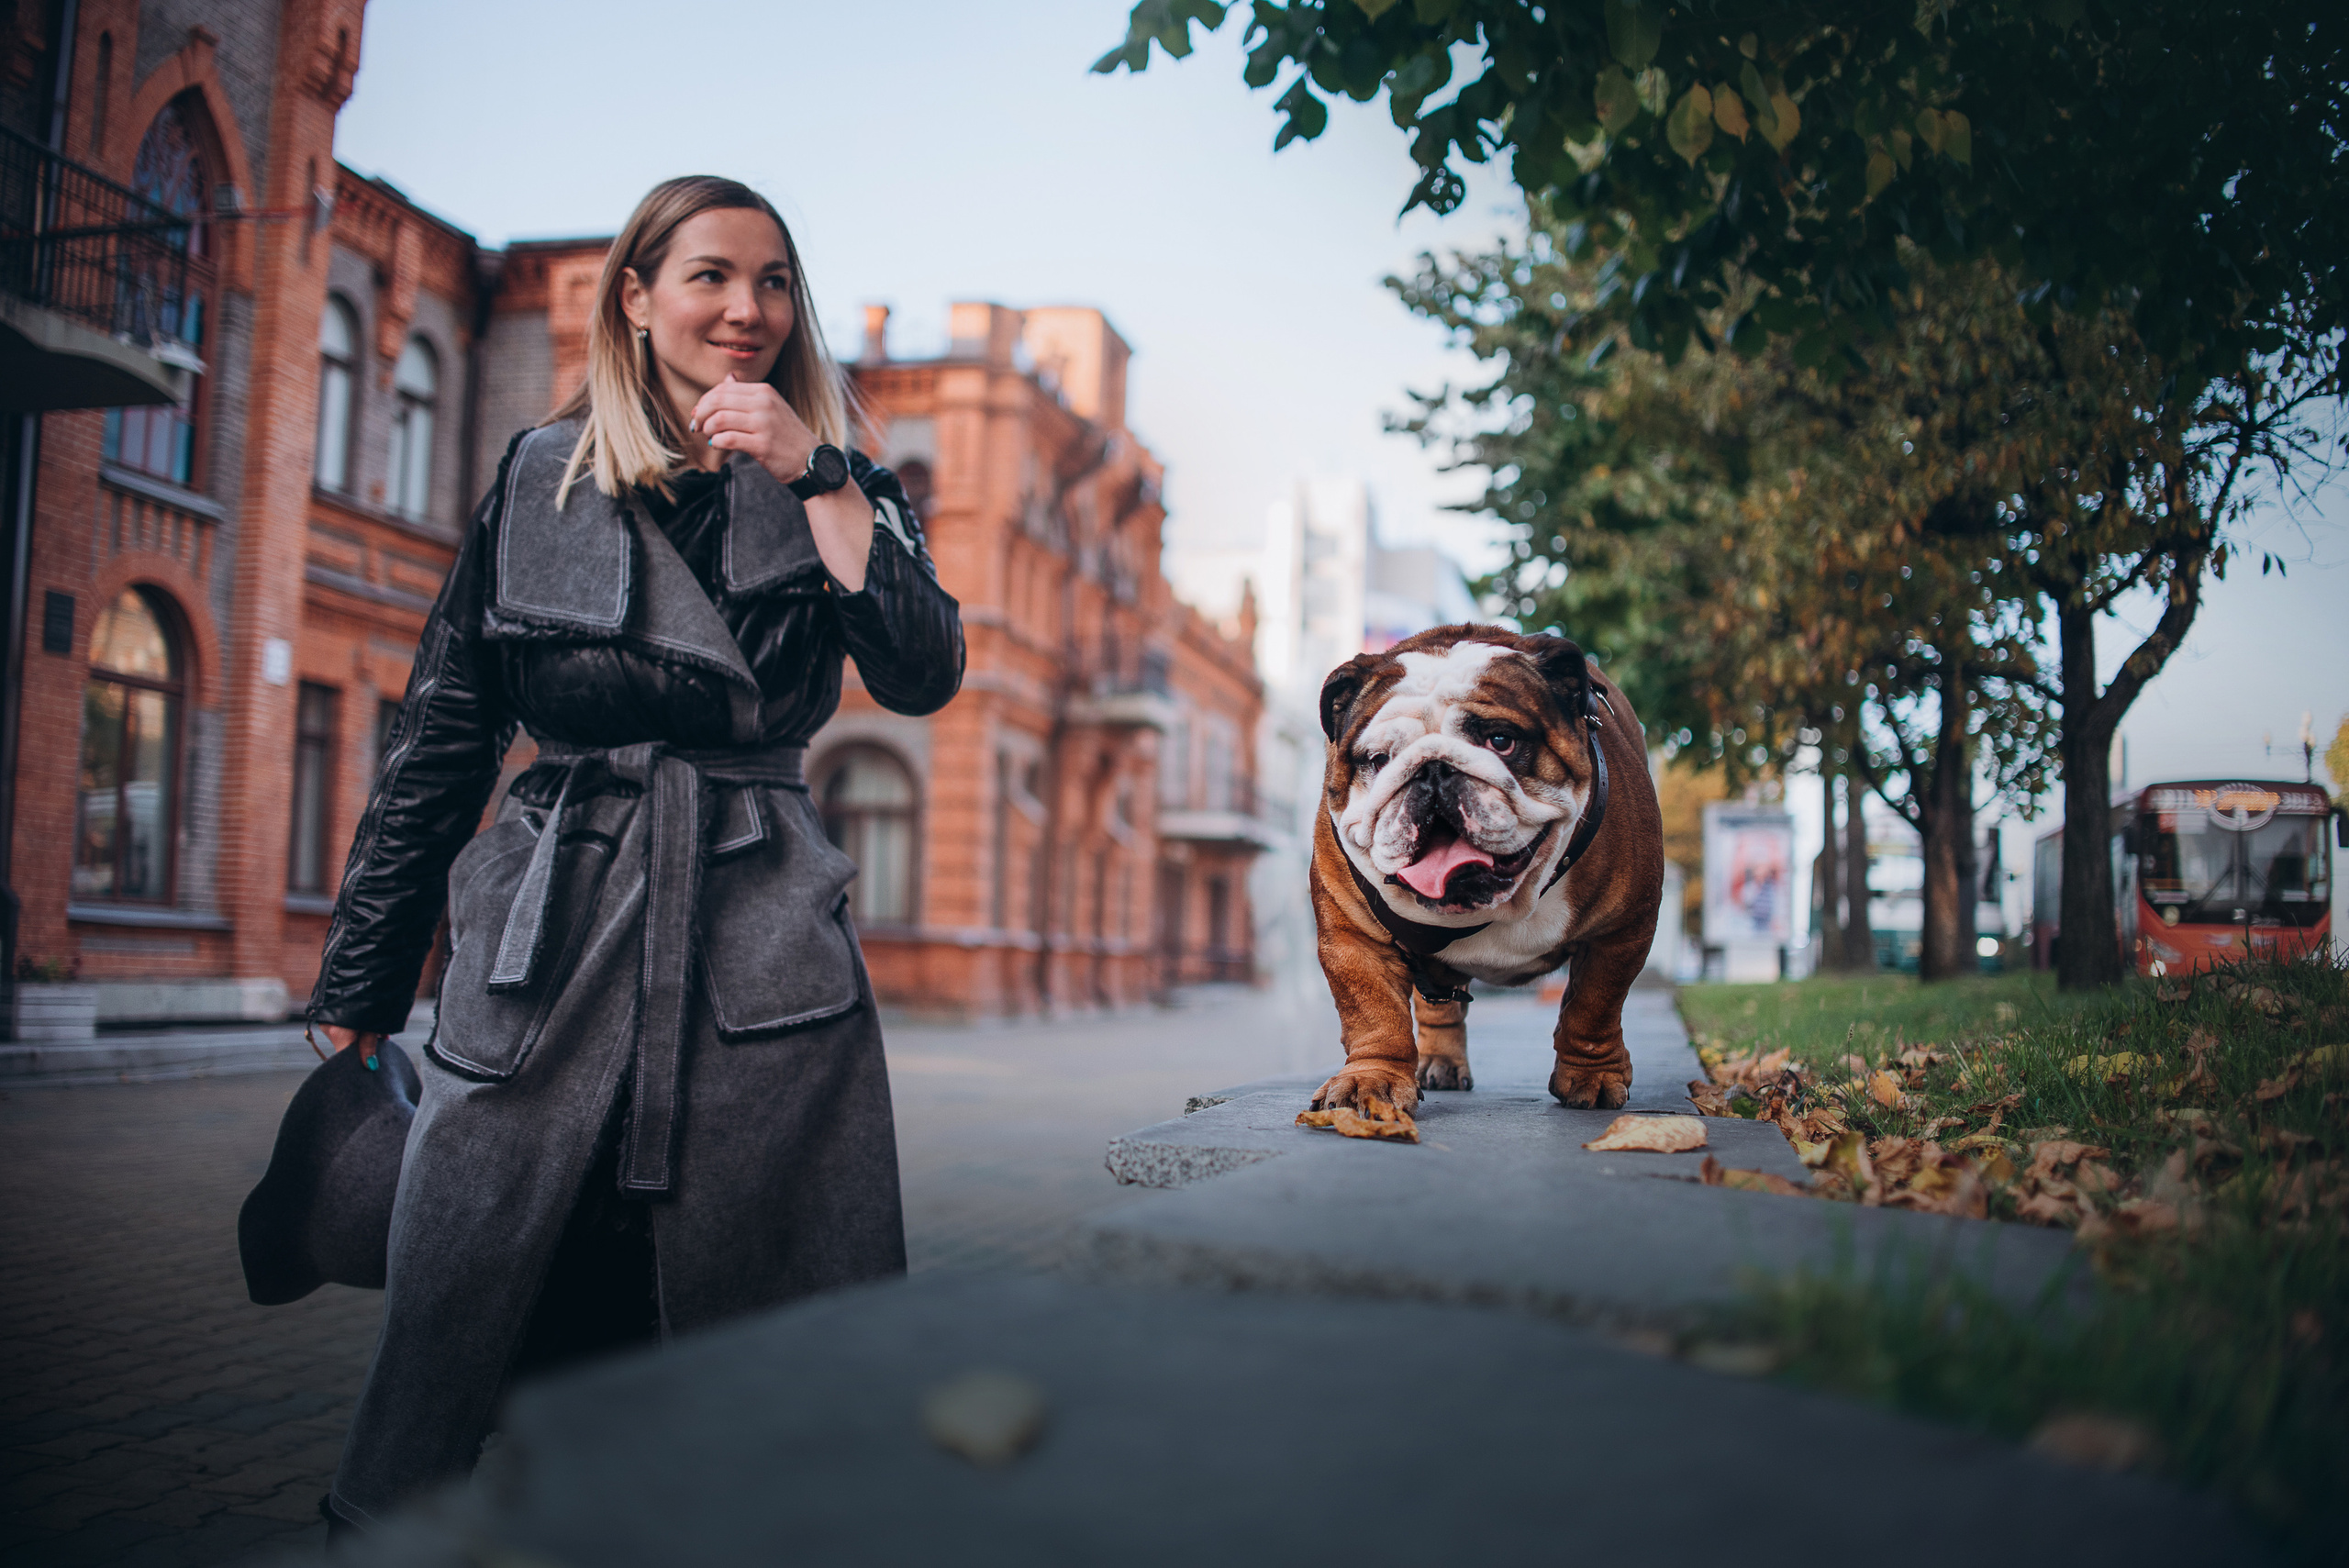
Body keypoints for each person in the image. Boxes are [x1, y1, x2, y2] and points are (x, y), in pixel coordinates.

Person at [304, 175, 963, 1532]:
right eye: (713, 275)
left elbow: (924, 668)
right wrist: (364, 980)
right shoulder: (538, 476)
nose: (748, 308)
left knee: (759, 1320)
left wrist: (816, 468)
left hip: (759, 946)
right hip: (552, 932)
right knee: (481, 1291)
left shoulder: (839, 473)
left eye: (774, 281)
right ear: (638, 295)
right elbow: (445, 732)